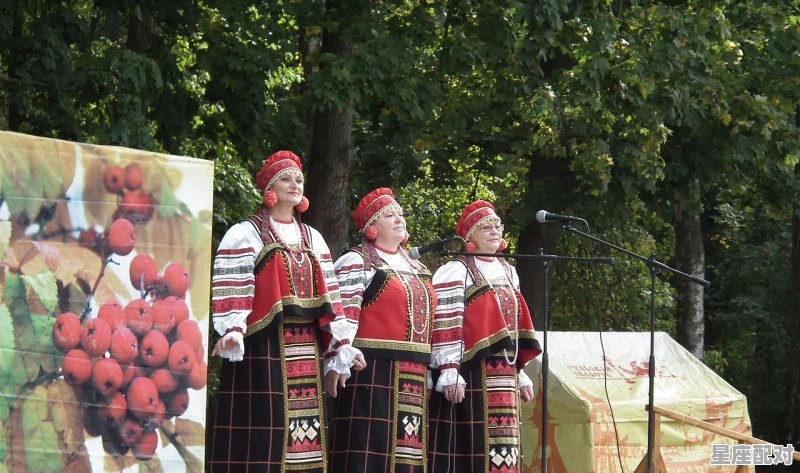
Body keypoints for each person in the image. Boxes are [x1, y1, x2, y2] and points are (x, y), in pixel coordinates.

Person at [208, 150, 364, 473]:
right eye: (286, 179)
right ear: (270, 189)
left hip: (307, 345)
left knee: (306, 436)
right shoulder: (246, 233)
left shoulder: (313, 238)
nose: (295, 184)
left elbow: (331, 297)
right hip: (264, 346)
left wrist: (339, 347)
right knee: (268, 432)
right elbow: (234, 285)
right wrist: (232, 330)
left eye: (299, 179)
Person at [325, 187, 436, 473]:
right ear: (371, 226)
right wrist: (337, 358)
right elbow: (340, 312)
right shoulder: (357, 261)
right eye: (389, 215)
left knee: (408, 457)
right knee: (369, 453)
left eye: (400, 213)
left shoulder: (418, 267)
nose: (399, 219)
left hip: (413, 371)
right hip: (371, 369)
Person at [428, 200, 542, 473]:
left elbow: (514, 326)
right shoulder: (456, 270)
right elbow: (445, 321)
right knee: (473, 446)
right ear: (470, 236)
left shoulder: (508, 271)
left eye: (497, 226)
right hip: (471, 370)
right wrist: (449, 369)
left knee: (506, 446)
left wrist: (519, 372)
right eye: (485, 227)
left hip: (504, 371)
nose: (494, 231)